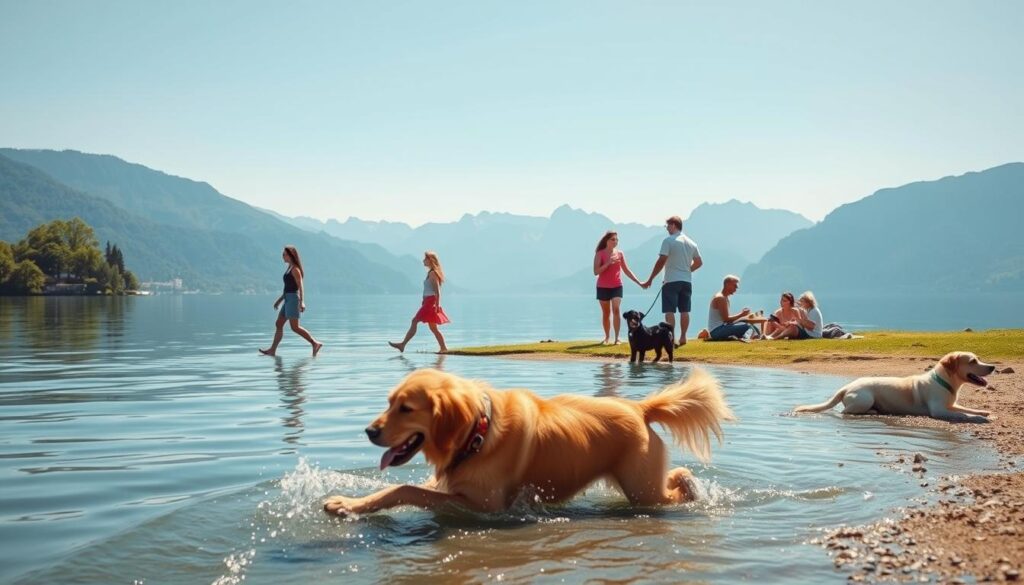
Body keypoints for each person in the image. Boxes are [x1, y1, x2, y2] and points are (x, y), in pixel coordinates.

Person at [642, 215, 703, 347]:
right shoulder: (691, 243)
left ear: (674, 225)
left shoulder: (668, 241)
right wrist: (687, 271)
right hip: (686, 281)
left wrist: (650, 279)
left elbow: (661, 261)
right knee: (684, 310)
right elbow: (699, 262)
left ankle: (672, 338)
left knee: (669, 311)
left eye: (667, 225)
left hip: (671, 281)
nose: (667, 228)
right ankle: (683, 337)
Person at [260, 246, 324, 357]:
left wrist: (302, 301)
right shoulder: (289, 268)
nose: (283, 256)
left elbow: (300, 286)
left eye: (284, 254)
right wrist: (279, 300)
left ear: (291, 255)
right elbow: (288, 287)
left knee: (295, 327)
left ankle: (315, 343)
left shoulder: (295, 269)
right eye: (283, 254)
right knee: (279, 323)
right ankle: (272, 350)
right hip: (287, 298)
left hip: (293, 299)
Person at [389, 251, 450, 354]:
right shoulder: (430, 273)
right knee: (433, 328)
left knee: (414, 321)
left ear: (430, 260)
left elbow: (437, 291)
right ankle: (443, 348)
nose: (423, 260)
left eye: (425, 259)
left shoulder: (432, 273)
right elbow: (429, 290)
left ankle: (402, 345)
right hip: (428, 302)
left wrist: (437, 305)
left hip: (430, 302)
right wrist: (424, 300)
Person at [593, 230, 643, 345]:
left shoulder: (620, 253)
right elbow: (596, 271)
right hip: (603, 286)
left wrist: (639, 282)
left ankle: (616, 338)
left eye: (617, 239)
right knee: (606, 313)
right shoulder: (600, 253)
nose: (615, 241)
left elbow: (627, 270)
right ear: (607, 240)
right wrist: (608, 263)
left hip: (617, 286)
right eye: (613, 239)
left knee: (616, 309)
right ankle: (607, 337)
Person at [707, 275, 754, 341]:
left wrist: (742, 318)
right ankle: (745, 339)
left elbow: (727, 320)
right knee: (749, 327)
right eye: (735, 285)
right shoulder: (720, 298)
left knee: (746, 325)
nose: (737, 288)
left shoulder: (724, 298)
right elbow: (726, 319)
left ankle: (744, 337)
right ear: (727, 285)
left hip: (718, 330)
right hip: (717, 331)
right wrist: (742, 314)